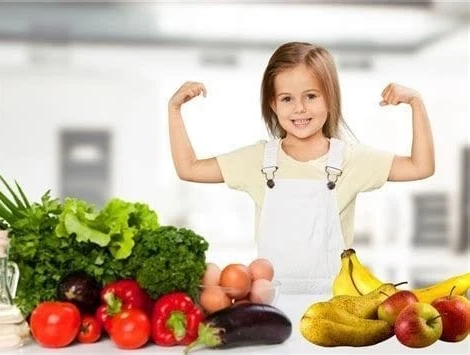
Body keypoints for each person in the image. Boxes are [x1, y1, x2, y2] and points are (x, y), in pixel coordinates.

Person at [168, 42, 435, 294]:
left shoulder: (350, 159)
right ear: (273, 104)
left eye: (310, 96)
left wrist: (417, 103)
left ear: (330, 100)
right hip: (271, 302)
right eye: (286, 99)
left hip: (336, 302)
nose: (299, 108)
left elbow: (420, 167)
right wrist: (174, 109)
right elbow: (189, 168)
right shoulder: (258, 160)